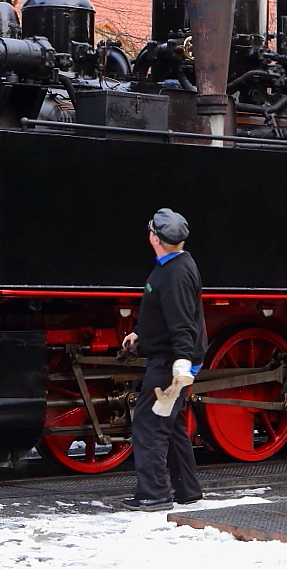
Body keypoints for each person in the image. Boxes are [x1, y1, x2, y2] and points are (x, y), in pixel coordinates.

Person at [119, 208, 207, 511]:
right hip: (172, 359)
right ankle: (187, 490)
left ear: (155, 237)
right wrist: (140, 335)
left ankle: (153, 494)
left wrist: (182, 363)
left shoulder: (175, 275)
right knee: (170, 425)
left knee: (149, 423)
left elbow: (183, 323)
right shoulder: (174, 265)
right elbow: (165, 315)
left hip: (171, 364)